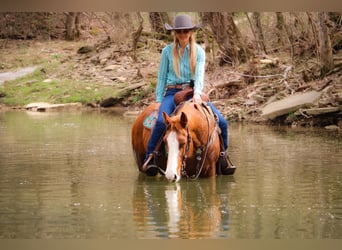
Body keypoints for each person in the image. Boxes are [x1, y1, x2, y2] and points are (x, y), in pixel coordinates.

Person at [143, 14, 230, 175]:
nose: (183, 34)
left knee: (222, 122)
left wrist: (197, 94)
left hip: (191, 92)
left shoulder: (199, 52)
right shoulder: (167, 52)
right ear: (175, 33)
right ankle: (150, 158)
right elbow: (161, 77)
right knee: (161, 123)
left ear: (191, 32)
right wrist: (158, 100)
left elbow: (199, 76)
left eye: (186, 31)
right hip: (172, 92)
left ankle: (223, 157)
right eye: (179, 32)